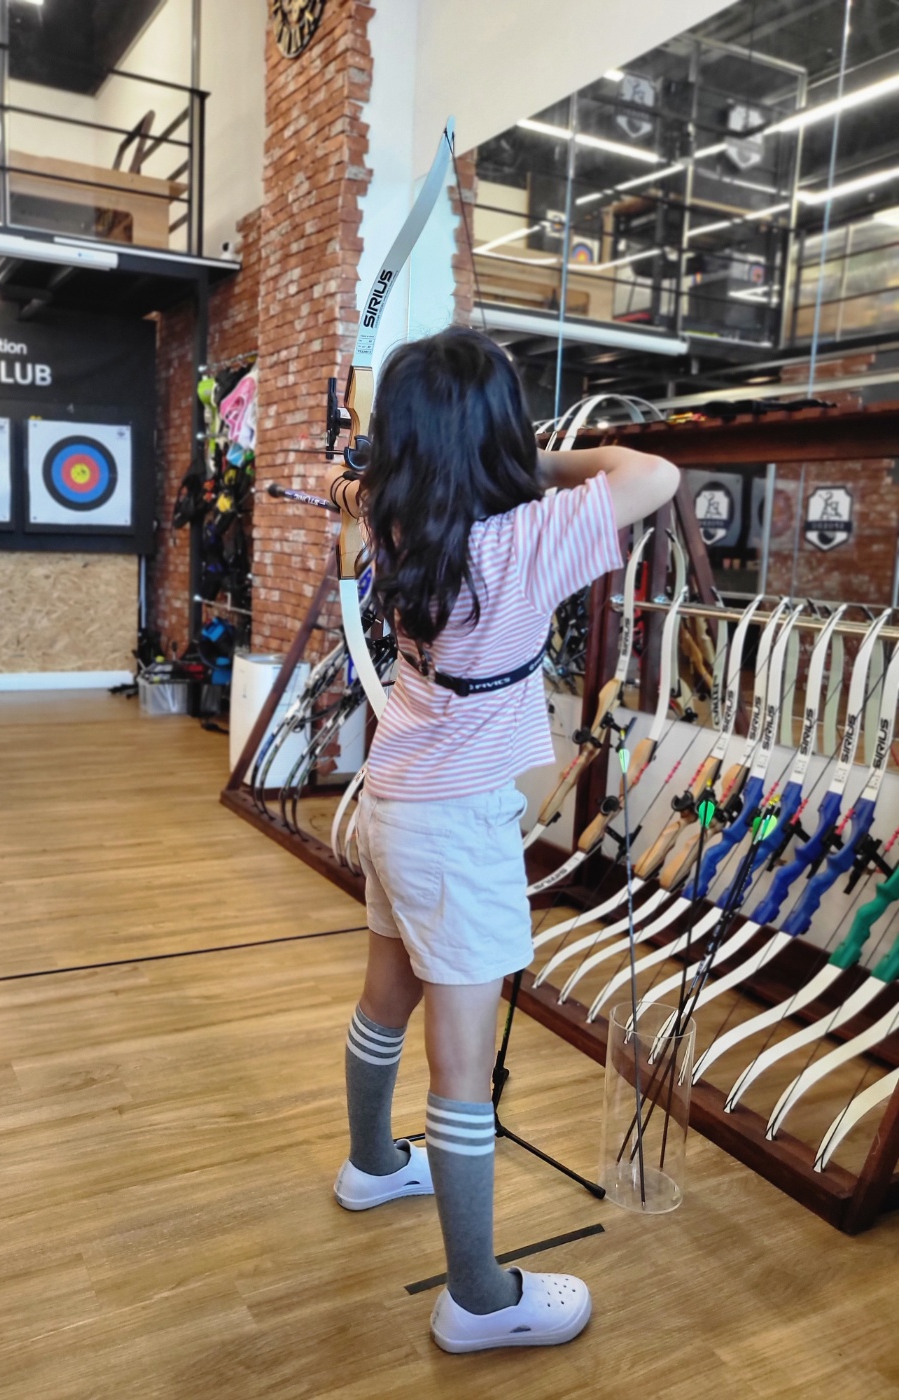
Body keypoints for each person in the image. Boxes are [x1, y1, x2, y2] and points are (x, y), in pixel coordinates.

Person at [327, 327, 679, 1355]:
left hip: (394, 800)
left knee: (385, 1000)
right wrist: (539, 460)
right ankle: (479, 1297)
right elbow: (654, 472)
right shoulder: (526, 536)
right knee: (461, 1069)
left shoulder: (391, 511)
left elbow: (352, 484)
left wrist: (381, 465)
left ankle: (371, 1165)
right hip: (457, 828)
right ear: (497, 437)